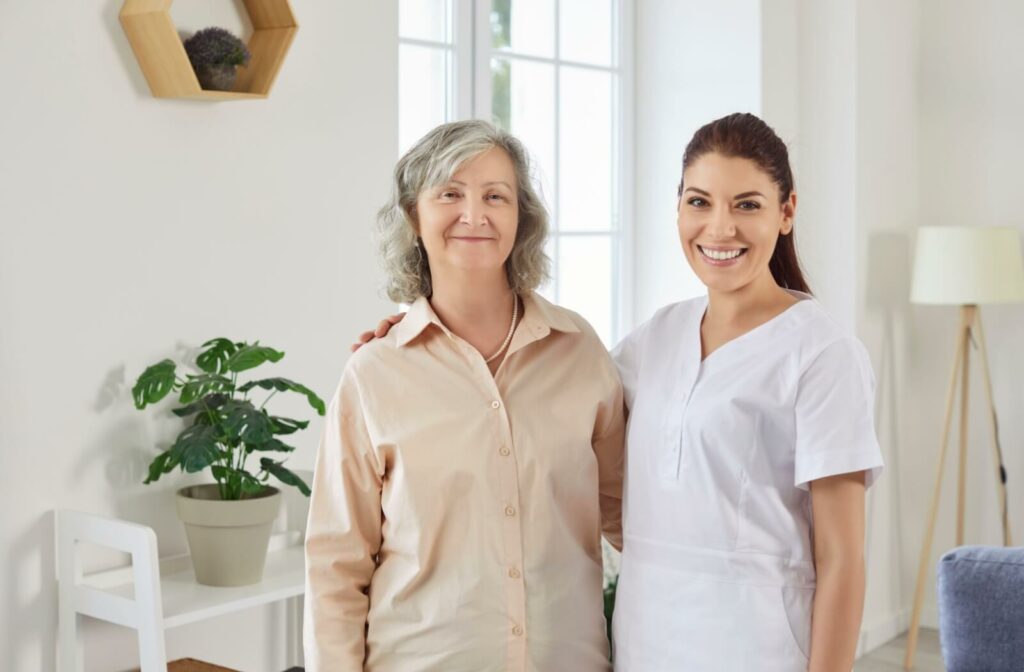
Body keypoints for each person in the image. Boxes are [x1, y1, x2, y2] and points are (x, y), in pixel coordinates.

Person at [356, 112, 883, 671]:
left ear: (787, 212)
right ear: (678, 208)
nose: (720, 228)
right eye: (699, 202)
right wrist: (418, 334)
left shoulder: (823, 355)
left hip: (759, 650)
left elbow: (843, 559)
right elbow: (541, 387)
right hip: (644, 647)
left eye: (747, 204)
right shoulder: (655, 339)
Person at [304, 119, 625, 672]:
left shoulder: (580, 351)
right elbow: (336, 565)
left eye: (495, 196)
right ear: (414, 215)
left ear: (520, 216)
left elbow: (633, 517)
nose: (474, 215)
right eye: (450, 193)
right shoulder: (375, 373)